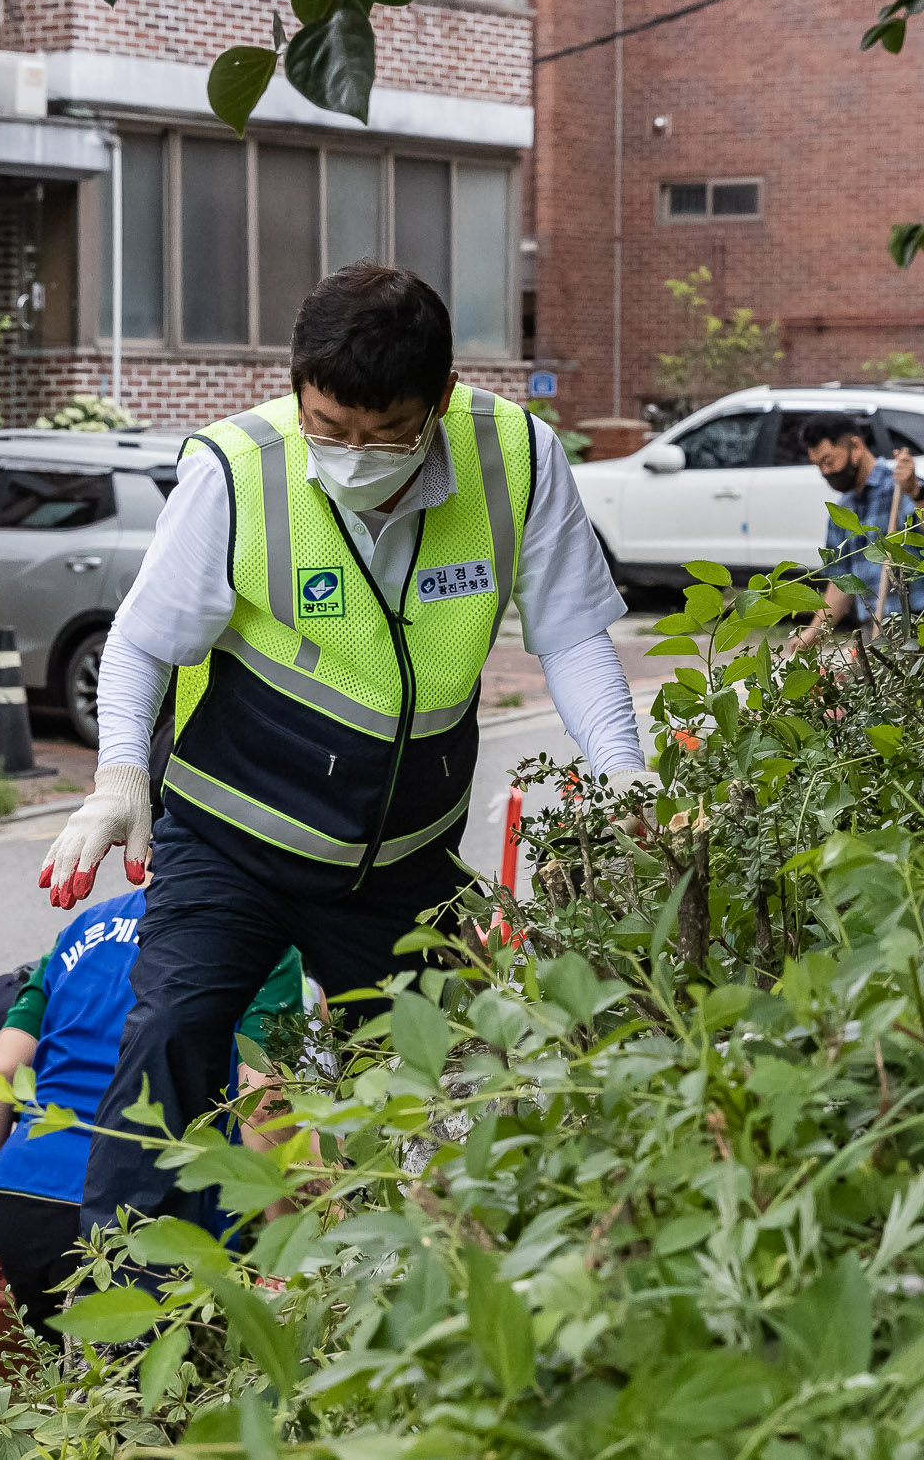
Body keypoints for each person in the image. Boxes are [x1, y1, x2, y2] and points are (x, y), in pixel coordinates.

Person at [39, 260, 645, 1236]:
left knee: (448, 1090)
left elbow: (570, 631)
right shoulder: (237, 468)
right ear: (296, 388)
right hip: (233, 835)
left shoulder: (515, 458)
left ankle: (422, 1298)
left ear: (440, 399)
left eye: (384, 432)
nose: (353, 453)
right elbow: (143, 639)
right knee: (169, 1037)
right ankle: (130, 1319)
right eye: (329, 427)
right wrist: (115, 777)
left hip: (402, 858)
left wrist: (620, 770)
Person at [0, 888, 309, 1321]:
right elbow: (261, 1100)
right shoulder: (262, 936)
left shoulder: (84, 928)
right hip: (140, 1207)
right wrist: (287, 1252)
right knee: (143, 1384)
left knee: (69, 1376)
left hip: (26, 1197)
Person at [787, 414, 924, 659]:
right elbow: (841, 582)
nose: (825, 472)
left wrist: (916, 492)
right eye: (818, 465)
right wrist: (813, 632)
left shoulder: (901, 486)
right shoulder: (843, 511)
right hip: (874, 630)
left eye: (828, 460)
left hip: (922, 622)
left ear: (855, 446)